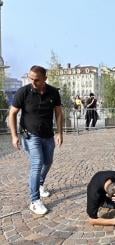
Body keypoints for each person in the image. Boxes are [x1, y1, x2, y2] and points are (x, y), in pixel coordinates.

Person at [8, 65, 64, 215]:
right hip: (30, 135)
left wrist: (59, 133)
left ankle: (39, 184)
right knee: (37, 163)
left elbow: (58, 113)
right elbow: (12, 114)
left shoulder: (53, 92)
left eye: (36, 79)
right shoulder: (23, 92)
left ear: (45, 79)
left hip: (48, 134)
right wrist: (14, 135)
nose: (32, 82)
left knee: (48, 162)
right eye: (30, 78)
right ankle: (35, 201)